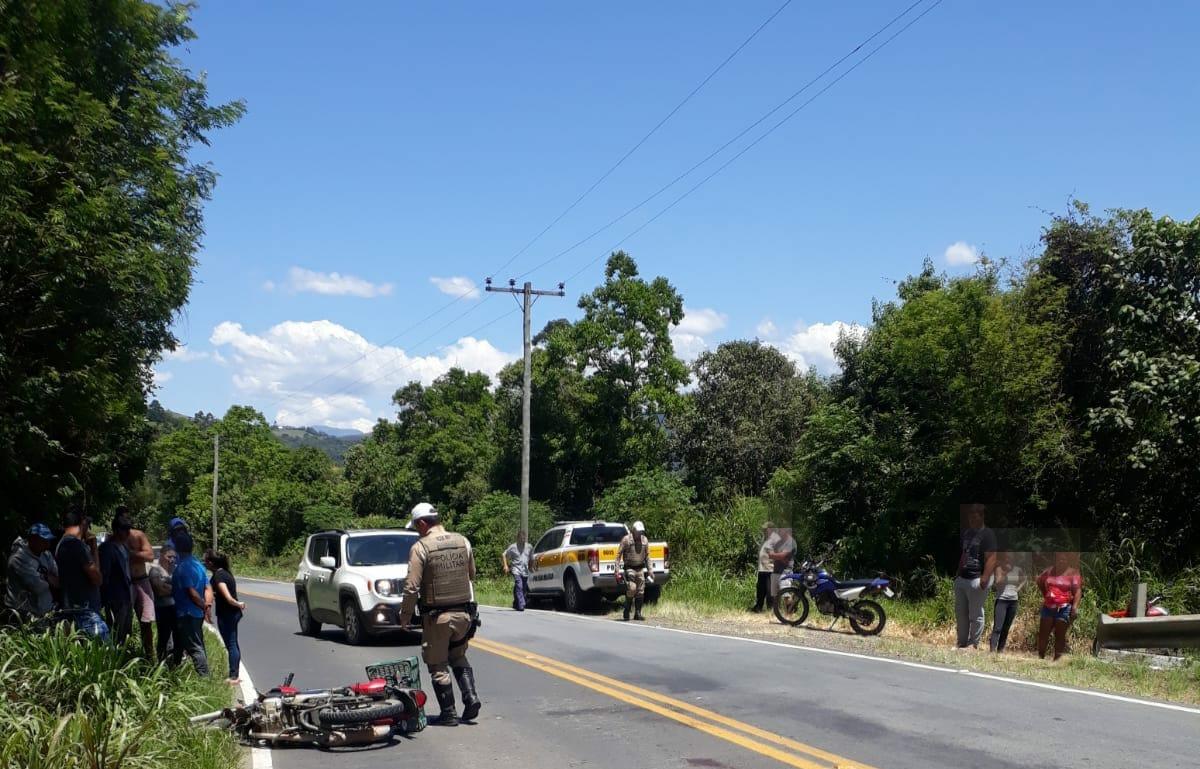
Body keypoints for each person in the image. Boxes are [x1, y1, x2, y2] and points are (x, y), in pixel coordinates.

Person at [397, 502, 480, 726]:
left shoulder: (421, 547)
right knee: (458, 656)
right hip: (464, 615)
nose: (416, 530)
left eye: (416, 526)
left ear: (423, 523)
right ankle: (471, 697)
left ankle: (449, 714)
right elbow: (471, 574)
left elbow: (411, 587)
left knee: (437, 664)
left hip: (437, 618)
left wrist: (405, 615)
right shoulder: (463, 540)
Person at [55, 509, 108, 640]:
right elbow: (98, 579)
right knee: (108, 655)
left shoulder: (61, 545)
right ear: (82, 523)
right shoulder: (76, 545)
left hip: (72, 610)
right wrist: (94, 548)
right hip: (86, 613)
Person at [954, 503, 997, 649]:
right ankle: (961, 643)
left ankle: (973, 644)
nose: (971, 518)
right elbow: (964, 553)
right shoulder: (967, 533)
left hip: (977, 578)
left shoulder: (988, 534)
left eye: (974, 516)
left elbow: (992, 557)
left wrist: (984, 578)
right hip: (963, 578)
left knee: (975, 613)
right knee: (961, 613)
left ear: (982, 516)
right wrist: (958, 574)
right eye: (969, 516)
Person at [171, 532, 210, 676]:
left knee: (194, 647)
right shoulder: (198, 565)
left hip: (187, 613)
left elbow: (191, 592)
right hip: (195, 613)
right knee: (183, 644)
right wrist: (206, 606)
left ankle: (204, 678)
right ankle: (174, 673)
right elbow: (207, 587)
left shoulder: (182, 567)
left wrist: (203, 606)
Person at [205, 550, 246, 684]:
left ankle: (233, 676)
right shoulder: (225, 573)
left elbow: (228, 597)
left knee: (231, 643)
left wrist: (238, 603)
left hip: (228, 613)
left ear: (211, 563)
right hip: (231, 613)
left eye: (206, 561)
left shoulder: (219, 576)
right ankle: (235, 673)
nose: (204, 563)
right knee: (233, 642)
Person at [121, 509, 156, 658]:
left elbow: (150, 555)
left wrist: (130, 554)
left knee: (146, 621)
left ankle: (149, 656)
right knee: (123, 622)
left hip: (141, 580)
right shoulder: (113, 539)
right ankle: (125, 656)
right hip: (125, 583)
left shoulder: (138, 535)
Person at [1036, 552, 1083, 661]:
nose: (1061, 561)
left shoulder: (1073, 573)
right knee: (1043, 633)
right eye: (1059, 559)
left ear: (1068, 560)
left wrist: (1074, 607)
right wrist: (1046, 595)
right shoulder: (1049, 571)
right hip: (1048, 607)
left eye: (1064, 559)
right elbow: (1039, 581)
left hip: (1064, 608)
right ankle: (1040, 657)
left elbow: (1077, 591)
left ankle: (1057, 659)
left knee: (1060, 634)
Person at [98, 512, 135, 645]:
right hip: (114, 596)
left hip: (126, 594)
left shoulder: (124, 547)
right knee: (116, 631)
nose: (128, 533)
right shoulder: (107, 548)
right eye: (125, 529)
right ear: (117, 530)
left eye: (128, 529)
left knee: (126, 631)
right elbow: (105, 574)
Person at [6, 523, 56, 617]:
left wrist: (44, 578)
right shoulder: (18, 558)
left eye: (48, 540)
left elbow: (58, 578)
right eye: (44, 540)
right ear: (32, 539)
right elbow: (38, 587)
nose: (47, 544)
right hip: (24, 613)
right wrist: (48, 577)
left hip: (44, 610)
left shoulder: (46, 554)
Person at [989, 552, 1025, 653]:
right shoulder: (999, 569)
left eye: (1010, 558)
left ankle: (1000, 650)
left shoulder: (1018, 569)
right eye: (1006, 558)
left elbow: (1023, 579)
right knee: (998, 627)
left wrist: (1018, 589)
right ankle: (992, 650)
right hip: (1002, 600)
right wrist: (1006, 572)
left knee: (1006, 628)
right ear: (1004, 559)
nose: (1008, 560)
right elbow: (998, 582)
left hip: (1013, 601)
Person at [615, 520, 652, 622]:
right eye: (638, 531)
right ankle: (626, 610)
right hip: (629, 568)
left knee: (640, 591)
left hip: (640, 568)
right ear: (633, 530)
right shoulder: (626, 540)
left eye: (641, 531)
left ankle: (638, 613)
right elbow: (618, 556)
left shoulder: (645, 540)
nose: (640, 533)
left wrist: (650, 571)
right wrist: (617, 571)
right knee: (632, 588)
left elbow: (648, 556)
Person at [148, 546, 178, 664]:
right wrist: (174, 589)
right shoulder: (155, 571)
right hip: (162, 608)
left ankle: (174, 662)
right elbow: (159, 591)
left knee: (177, 637)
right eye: (169, 557)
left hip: (175, 608)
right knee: (164, 637)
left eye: (174, 557)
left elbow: (183, 588)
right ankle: (161, 662)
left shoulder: (175, 570)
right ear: (161, 555)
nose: (172, 560)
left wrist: (167, 587)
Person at [768, 526, 797, 615]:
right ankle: (778, 615)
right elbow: (770, 553)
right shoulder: (778, 542)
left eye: (781, 529)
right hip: (776, 570)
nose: (779, 531)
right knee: (775, 595)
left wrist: (776, 556)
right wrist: (778, 556)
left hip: (786, 572)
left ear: (787, 531)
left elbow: (782, 556)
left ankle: (790, 614)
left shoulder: (791, 542)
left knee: (785, 594)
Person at [502, 532, 533, 612]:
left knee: (523, 588)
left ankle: (516, 603)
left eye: (524, 539)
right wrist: (506, 565)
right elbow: (504, 555)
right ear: (518, 538)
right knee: (519, 585)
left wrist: (530, 566)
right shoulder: (513, 547)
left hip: (525, 571)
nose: (523, 541)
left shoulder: (529, 547)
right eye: (521, 539)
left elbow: (531, 558)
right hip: (516, 569)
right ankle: (521, 604)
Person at [750, 522, 776, 613]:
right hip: (762, 569)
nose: (763, 531)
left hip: (770, 570)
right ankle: (758, 607)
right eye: (763, 529)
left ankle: (771, 610)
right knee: (760, 589)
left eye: (765, 529)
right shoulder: (765, 539)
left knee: (770, 592)